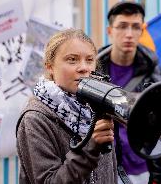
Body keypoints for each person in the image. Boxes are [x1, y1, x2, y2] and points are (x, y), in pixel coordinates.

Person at [16, 29, 117, 184]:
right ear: (50, 66)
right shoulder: (35, 119)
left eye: (90, 60)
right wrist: (90, 148)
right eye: (72, 60)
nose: (84, 68)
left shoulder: (95, 109)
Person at [97, 1, 161, 184]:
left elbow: (160, 125)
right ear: (110, 31)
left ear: (142, 31)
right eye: (122, 26)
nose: (129, 34)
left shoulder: (153, 70)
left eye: (135, 27)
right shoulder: (93, 69)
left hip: (141, 168)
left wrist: (158, 177)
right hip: (102, 165)